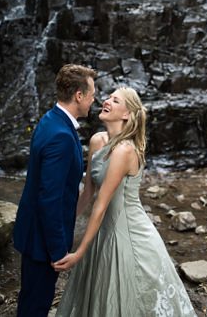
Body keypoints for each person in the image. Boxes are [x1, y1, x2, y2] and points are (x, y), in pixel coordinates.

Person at [53, 87, 196, 316]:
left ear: (127, 114)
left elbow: (101, 204)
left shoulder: (125, 150)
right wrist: (63, 224)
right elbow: (88, 192)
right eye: (108, 97)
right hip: (102, 231)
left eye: (115, 100)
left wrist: (79, 253)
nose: (107, 101)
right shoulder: (97, 141)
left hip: (127, 234)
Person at [13, 64, 97, 316]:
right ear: (79, 95)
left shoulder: (51, 119)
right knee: (35, 306)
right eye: (92, 93)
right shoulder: (61, 135)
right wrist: (59, 250)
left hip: (33, 234)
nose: (94, 99)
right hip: (42, 242)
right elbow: (49, 198)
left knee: (30, 300)